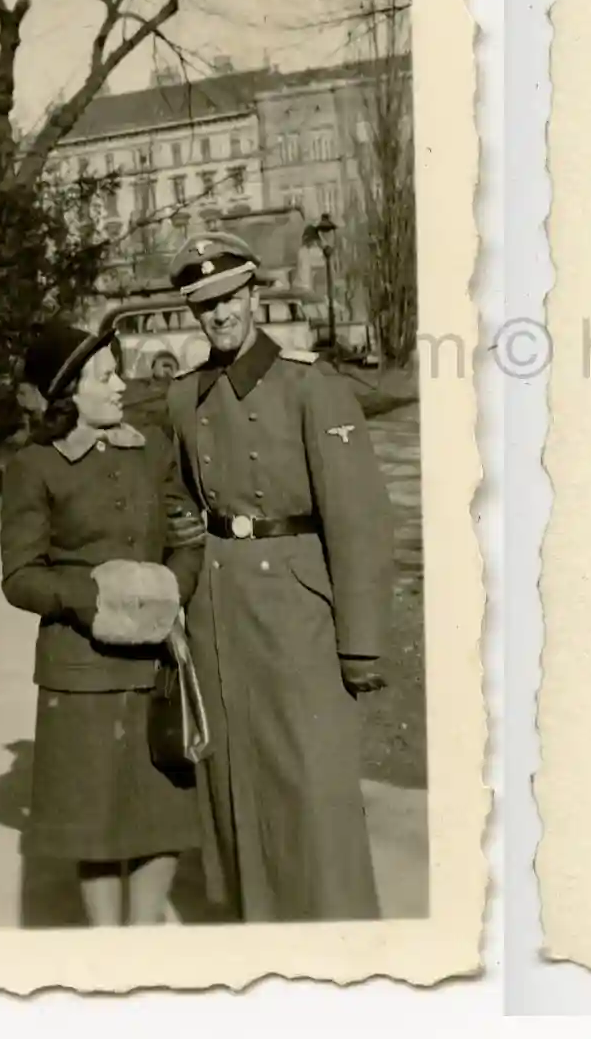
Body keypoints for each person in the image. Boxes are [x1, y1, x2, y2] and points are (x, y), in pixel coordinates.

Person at [162, 232, 394, 922]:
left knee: (310, 776)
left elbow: (357, 518)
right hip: (217, 607)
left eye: (229, 299)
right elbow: (175, 493)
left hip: (295, 603)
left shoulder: (308, 384)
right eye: (204, 306)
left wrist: (361, 643)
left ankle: (338, 933)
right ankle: (255, 926)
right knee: (235, 774)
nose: (219, 316)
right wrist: (179, 531)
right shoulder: (183, 396)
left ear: (254, 295)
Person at [0, 321, 219, 926]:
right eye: (106, 376)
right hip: (80, 669)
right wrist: (92, 598)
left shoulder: (151, 448)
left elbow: (186, 535)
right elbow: (19, 576)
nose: (122, 384)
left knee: (161, 811)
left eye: (117, 371)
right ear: (69, 394)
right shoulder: (34, 467)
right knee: (93, 821)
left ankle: (142, 934)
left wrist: (175, 588)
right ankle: (107, 945)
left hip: (156, 664)